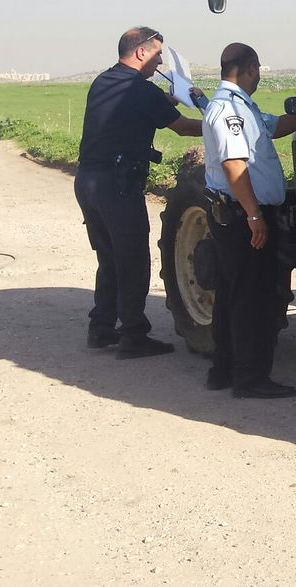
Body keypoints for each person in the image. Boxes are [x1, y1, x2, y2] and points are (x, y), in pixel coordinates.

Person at [202, 42, 296, 399]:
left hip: (238, 212)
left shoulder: (240, 106)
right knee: (254, 297)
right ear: (251, 68)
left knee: (232, 294)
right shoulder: (228, 110)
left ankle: (223, 369)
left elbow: (278, 126)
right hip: (242, 215)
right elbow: (234, 166)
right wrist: (255, 213)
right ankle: (250, 377)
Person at [75, 27, 202, 358]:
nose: (161, 59)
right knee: (132, 259)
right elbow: (185, 127)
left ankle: (101, 329)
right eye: (158, 53)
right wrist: (223, 122)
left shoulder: (104, 81)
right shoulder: (142, 91)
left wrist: (164, 99)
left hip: (88, 181)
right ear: (141, 52)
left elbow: (139, 106)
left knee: (109, 257)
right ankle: (133, 335)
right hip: (117, 185)